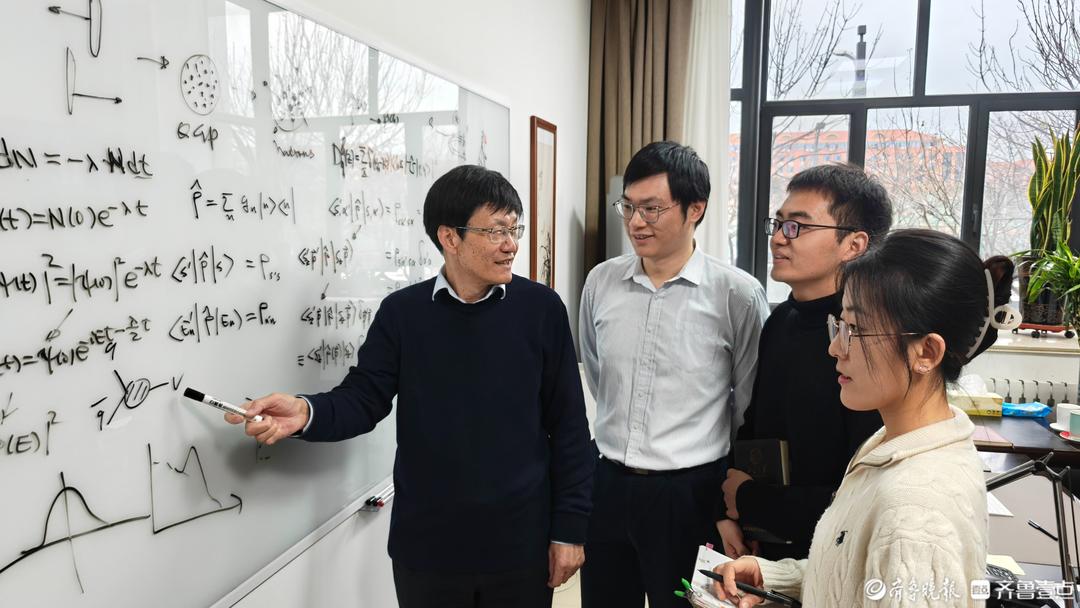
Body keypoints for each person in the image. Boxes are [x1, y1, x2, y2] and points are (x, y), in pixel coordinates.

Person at [226, 165, 595, 608]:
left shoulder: (541, 310)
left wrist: (569, 529)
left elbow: (570, 428)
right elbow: (364, 398)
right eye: (496, 231)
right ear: (450, 237)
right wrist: (305, 412)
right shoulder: (403, 313)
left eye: (514, 229)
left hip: (521, 543)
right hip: (428, 547)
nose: (511, 244)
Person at [707, 229, 1013, 607]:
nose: (835, 348)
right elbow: (858, 568)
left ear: (926, 352)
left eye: (856, 329)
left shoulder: (915, 512)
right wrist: (774, 577)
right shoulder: (891, 443)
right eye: (840, 325)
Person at [579, 141, 770, 608]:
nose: (635, 222)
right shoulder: (601, 281)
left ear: (694, 209)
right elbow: (600, 377)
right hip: (608, 485)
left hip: (691, 494)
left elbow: (750, 406)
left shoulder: (737, 295)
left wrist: (729, 507)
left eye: (652, 208)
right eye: (628, 206)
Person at [718, 164, 893, 561]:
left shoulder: (871, 338)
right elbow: (755, 428)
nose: (779, 238)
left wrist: (750, 502)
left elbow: (866, 491)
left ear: (854, 244)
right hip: (762, 542)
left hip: (837, 556)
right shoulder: (781, 319)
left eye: (798, 226)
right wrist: (730, 512)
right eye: (779, 223)